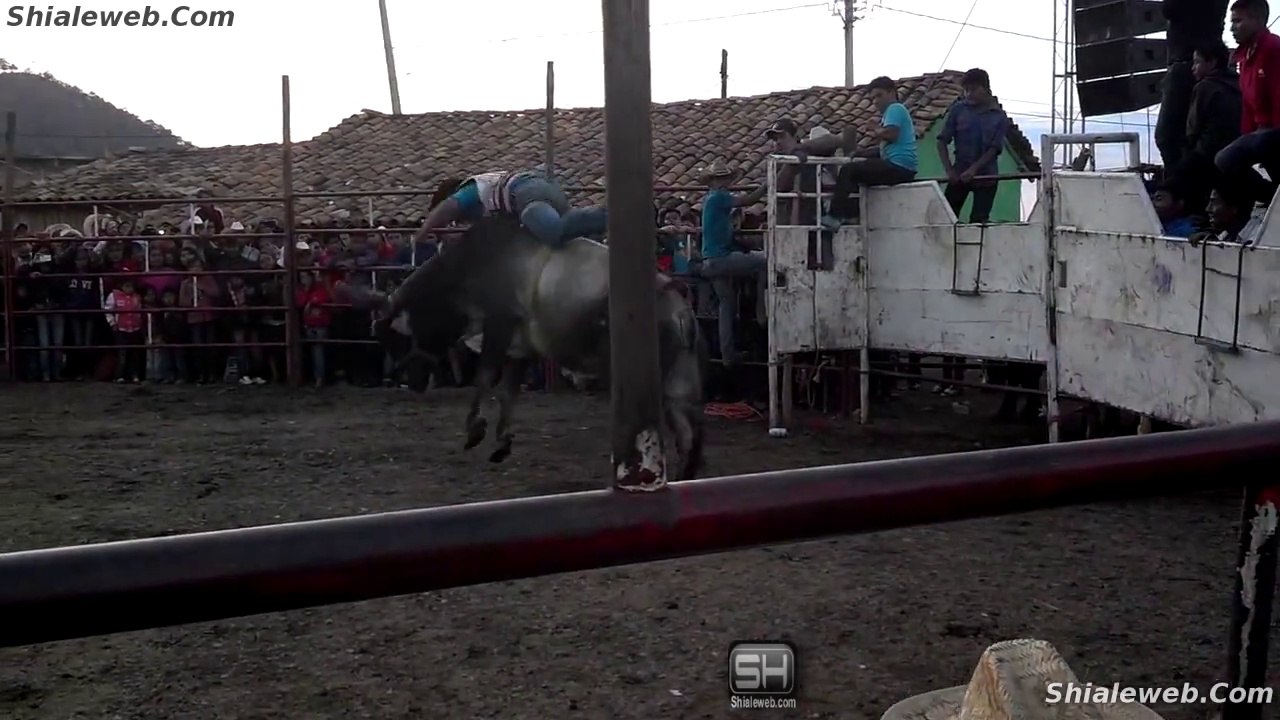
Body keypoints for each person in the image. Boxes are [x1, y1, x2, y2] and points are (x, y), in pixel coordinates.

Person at [412, 168, 606, 252]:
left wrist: (423, 232)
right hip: (541, 192)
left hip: (527, 195)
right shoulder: (485, 209)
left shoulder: (471, 190)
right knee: (559, 234)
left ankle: (607, 216)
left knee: (552, 231)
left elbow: (449, 207)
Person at [821, 75, 918, 230]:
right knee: (857, 172)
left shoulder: (895, 108)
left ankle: (835, 215)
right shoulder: (891, 114)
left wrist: (875, 129)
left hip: (898, 167)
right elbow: (884, 148)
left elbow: (891, 135)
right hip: (901, 167)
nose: (876, 101)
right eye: (873, 98)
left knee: (848, 170)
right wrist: (861, 153)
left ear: (892, 92)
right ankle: (850, 215)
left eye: (879, 96)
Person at [697, 160, 768, 365]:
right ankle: (760, 311)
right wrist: (767, 185)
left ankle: (728, 354)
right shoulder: (720, 197)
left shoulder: (711, 198)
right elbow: (750, 199)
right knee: (762, 263)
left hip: (710, 259)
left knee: (726, 303)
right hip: (721, 259)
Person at [1214, 0, 1280, 206]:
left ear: (1258, 20)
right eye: (1231, 22)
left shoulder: (1273, 48)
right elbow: (1249, 106)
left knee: (1226, 158)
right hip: (1263, 131)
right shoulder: (1244, 57)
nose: (1232, 27)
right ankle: (1273, 199)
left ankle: (1272, 199)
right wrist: (1247, 135)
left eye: (1238, 21)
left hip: (1276, 130)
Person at [1169, 39, 1241, 216]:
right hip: (1234, 152)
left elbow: (1193, 129)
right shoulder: (1237, 83)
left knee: (1174, 180)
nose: (1193, 67)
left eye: (1197, 62)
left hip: (1207, 154)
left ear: (1212, 62)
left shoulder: (1205, 86)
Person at [1156, 0, 1230, 169]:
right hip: (1207, 61)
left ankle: (1179, 187)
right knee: (1195, 137)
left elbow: (1169, 9)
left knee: (1168, 137)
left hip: (1186, 62)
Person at [936, 68, 1011, 224]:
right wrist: (949, 170)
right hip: (959, 175)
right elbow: (942, 141)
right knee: (945, 218)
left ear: (986, 89)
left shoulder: (999, 116)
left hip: (986, 177)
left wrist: (974, 169)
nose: (969, 94)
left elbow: (994, 149)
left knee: (978, 222)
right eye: (966, 90)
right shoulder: (958, 110)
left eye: (973, 89)